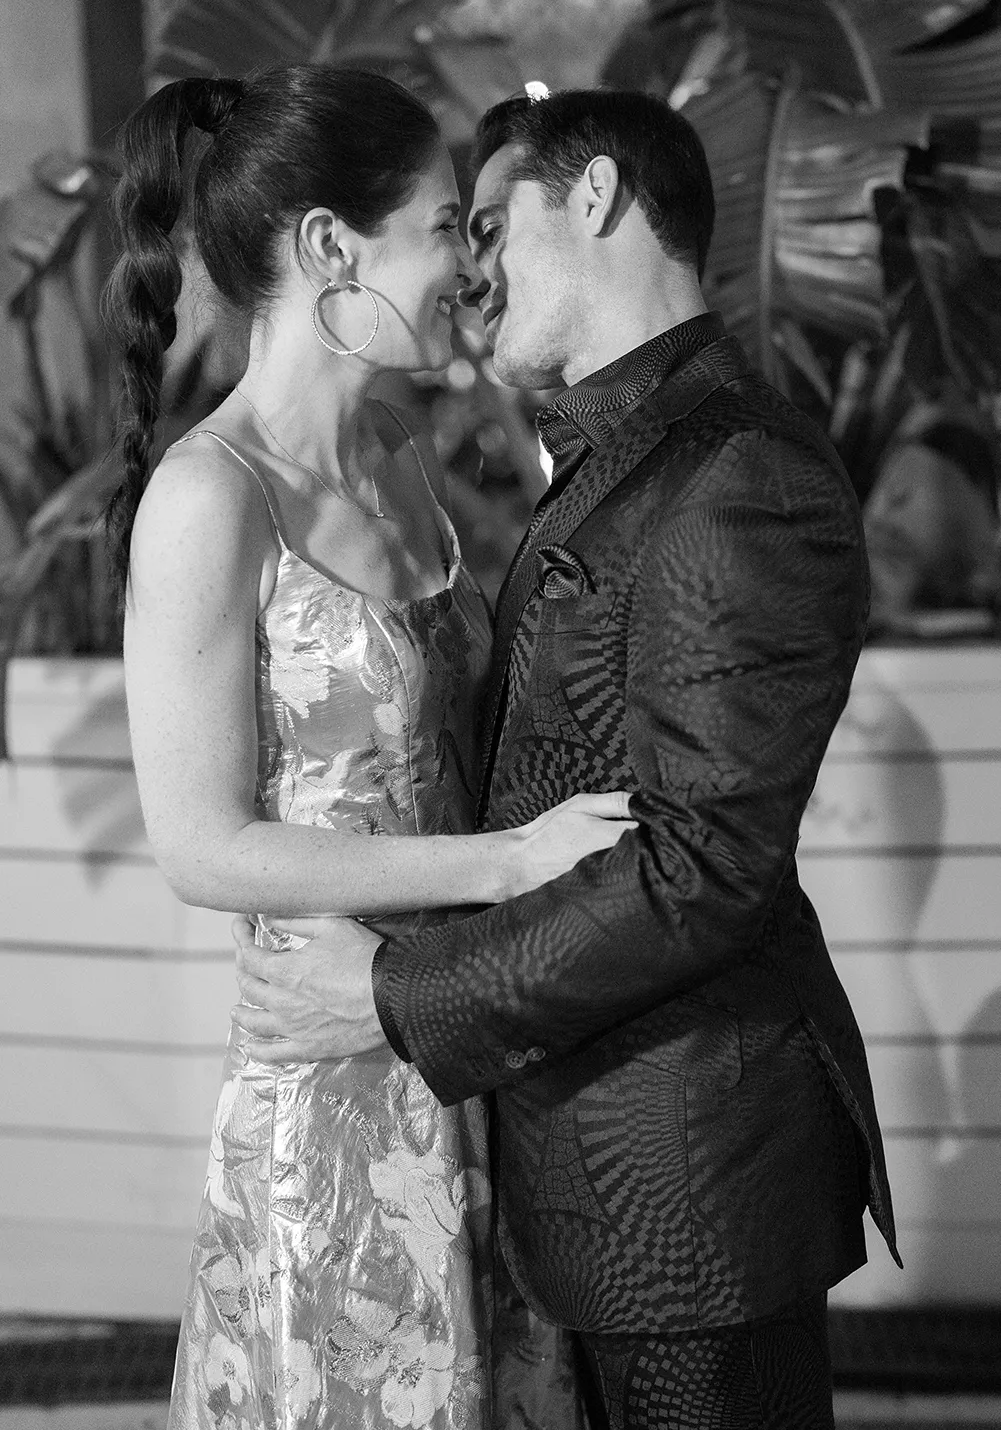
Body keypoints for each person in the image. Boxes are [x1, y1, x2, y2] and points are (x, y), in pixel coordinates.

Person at [231, 87, 902, 1429]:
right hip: (589, 1151)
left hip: (685, 1172)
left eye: (489, 221)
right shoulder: (631, 451)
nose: (473, 263)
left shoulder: (734, 473)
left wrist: (391, 998)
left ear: (591, 197)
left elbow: (703, 866)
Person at [105, 66, 634, 1430]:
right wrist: (510, 863)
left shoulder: (401, 450)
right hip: (332, 1093)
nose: (475, 258)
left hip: (464, 1039)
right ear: (334, 249)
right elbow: (200, 844)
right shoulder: (209, 499)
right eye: (449, 224)